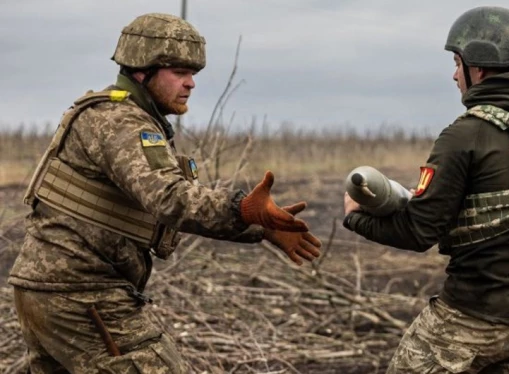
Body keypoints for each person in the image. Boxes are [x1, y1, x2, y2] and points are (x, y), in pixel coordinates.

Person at [9, 13, 321, 373]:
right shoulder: (119, 121)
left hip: (54, 288)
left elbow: (155, 204)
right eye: (179, 72)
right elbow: (169, 198)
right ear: (142, 70)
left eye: (193, 74)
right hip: (81, 292)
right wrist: (243, 209)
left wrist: (259, 226)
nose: (190, 84)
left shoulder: (127, 117)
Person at [343, 6, 509, 374]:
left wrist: (354, 217)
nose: (454, 75)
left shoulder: (464, 135)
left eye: (457, 64)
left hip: (474, 320)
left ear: (478, 67)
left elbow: (417, 232)